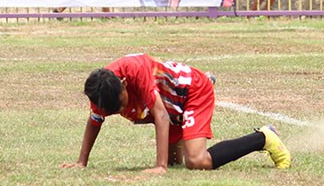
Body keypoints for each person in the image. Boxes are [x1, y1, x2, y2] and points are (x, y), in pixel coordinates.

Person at [64, 53, 291, 173]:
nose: (121, 111)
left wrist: (158, 167)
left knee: (197, 161)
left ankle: (263, 137)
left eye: (121, 104)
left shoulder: (136, 71)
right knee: (176, 163)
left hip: (192, 93)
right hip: (169, 104)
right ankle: (184, 121)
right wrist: (81, 161)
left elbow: (161, 117)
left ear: (124, 83)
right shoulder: (100, 90)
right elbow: (95, 121)